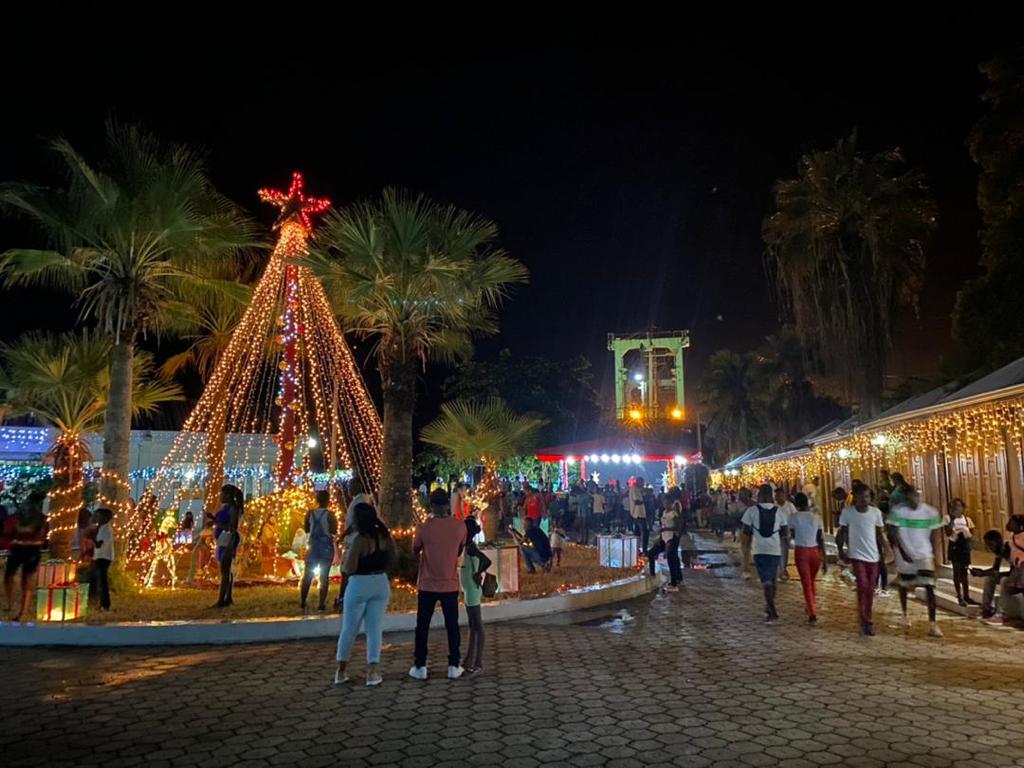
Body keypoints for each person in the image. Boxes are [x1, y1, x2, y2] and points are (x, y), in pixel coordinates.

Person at [335, 502, 395, 686]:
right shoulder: (385, 537)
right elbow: (392, 560)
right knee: (374, 630)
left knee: (349, 629)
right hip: (380, 582)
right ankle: (372, 672)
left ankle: (341, 671)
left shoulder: (359, 539)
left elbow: (348, 568)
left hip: (359, 584)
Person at [410, 489, 467, 681]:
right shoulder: (460, 527)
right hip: (449, 584)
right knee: (452, 626)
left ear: (432, 506)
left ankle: (420, 665)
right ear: (447, 505)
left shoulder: (423, 527)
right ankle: (453, 664)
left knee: (422, 626)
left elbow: (415, 549)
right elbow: (460, 549)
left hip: (427, 584)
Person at [887, 488, 944, 637]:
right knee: (904, 585)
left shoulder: (930, 512)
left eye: (916, 497)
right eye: (910, 498)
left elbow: (935, 535)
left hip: (924, 555)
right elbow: (892, 533)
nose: (914, 501)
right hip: (905, 555)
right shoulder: (898, 512)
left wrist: (934, 556)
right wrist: (902, 552)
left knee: (930, 586)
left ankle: (932, 623)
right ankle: (904, 614)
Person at [836, 483, 887, 636]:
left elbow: (879, 534)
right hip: (857, 555)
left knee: (870, 589)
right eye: (859, 497)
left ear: (870, 498)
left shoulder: (875, 513)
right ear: (854, 498)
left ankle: (868, 617)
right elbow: (842, 533)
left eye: (866, 496)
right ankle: (864, 619)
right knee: (863, 585)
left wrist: (887, 550)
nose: (863, 500)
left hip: (873, 556)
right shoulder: (848, 513)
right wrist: (840, 550)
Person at [741, 484, 789, 622]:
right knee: (772, 580)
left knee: (766, 581)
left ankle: (771, 608)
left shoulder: (751, 511)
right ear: (772, 496)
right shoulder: (779, 511)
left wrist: (745, 557)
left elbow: (745, 535)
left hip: (759, 550)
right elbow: (785, 534)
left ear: (760, 495)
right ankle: (770, 605)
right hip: (775, 550)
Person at [3, 492, 49, 621]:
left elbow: (27, 531)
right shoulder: (34, 517)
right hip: (25, 548)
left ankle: (19, 609)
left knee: (22, 579)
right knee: (14, 577)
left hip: (27, 548)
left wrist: (19, 529)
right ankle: (15, 606)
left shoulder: (37, 518)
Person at [789, 492, 827, 624]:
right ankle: (811, 605)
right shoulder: (816, 517)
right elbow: (820, 538)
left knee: (806, 582)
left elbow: (792, 533)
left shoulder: (794, 517)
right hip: (815, 551)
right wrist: (824, 557)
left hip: (801, 551)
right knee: (811, 581)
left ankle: (812, 611)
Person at [461, 516, 492, 674]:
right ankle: (469, 658)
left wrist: (478, 573)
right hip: (469, 589)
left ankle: (478, 660)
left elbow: (487, 561)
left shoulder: (471, 547)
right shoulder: (466, 547)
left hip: (472, 590)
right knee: (473, 626)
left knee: (477, 625)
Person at [301, 490, 337, 611]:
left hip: (313, 546)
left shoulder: (310, 514)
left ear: (317, 500)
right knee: (324, 576)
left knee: (308, 575)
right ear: (328, 501)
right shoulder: (330, 515)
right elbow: (333, 531)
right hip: (326, 547)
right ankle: (321, 604)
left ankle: (302, 601)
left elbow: (306, 529)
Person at [210, 484, 243, 609]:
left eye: (222, 494)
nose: (220, 496)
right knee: (226, 571)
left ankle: (221, 600)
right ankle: (227, 597)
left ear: (228, 496)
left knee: (225, 572)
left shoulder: (233, 509)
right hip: (223, 541)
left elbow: (231, 528)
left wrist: (217, 522)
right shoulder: (227, 508)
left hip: (228, 541)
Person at [647, 493, 682, 591]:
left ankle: (674, 584)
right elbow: (663, 526)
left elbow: (678, 527)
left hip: (671, 538)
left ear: (671, 503)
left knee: (671, 559)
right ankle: (652, 573)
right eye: (664, 502)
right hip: (663, 538)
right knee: (651, 553)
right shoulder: (664, 512)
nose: (665, 504)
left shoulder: (674, 514)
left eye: (667, 503)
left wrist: (668, 531)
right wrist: (660, 537)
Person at [945, 498, 976, 606]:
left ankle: (967, 595)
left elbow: (971, 534)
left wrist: (970, 541)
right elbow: (948, 532)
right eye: (955, 506)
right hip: (954, 546)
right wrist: (952, 520)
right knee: (956, 571)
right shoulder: (947, 518)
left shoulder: (967, 519)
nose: (957, 508)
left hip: (964, 546)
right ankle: (959, 595)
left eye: (959, 506)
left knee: (964, 572)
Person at [90, 507, 115, 611]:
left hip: (103, 558)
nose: (95, 517)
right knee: (101, 581)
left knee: (102, 582)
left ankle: (105, 605)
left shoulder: (106, 529)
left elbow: (99, 544)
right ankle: (102, 603)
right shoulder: (102, 528)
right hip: (100, 557)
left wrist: (91, 538)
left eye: (97, 516)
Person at [774, 488, 796, 582]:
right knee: (778, 551)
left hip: (786, 532)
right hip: (776, 532)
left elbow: (795, 517)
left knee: (784, 551)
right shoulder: (774, 507)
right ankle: (781, 570)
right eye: (776, 496)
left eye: (779, 495)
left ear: (784, 495)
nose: (777, 497)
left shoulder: (790, 506)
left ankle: (783, 570)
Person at [628, 477, 649, 551]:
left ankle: (635, 549)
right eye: (642, 482)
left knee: (637, 533)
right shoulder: (634, 489)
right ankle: (644, 550)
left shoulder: (637, 490)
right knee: (645, 532)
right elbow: (637, 502)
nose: (643, 484)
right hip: (638, 514)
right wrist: (645, 500)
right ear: (638, 482)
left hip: (638, 514)